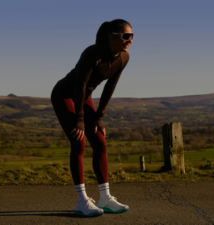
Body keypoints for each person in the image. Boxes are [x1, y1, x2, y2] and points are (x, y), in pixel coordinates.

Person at [51, 19, 133, 217]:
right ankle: (81, 201)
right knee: (79, 142)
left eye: (131, 36)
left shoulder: (123, 57)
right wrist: (79, 119)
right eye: (125, 36)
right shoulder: (92, 53)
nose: (129, 40)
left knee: (100, 142)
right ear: (111, 37)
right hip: (65, 96)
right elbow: (79, 85)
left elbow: (110, 86)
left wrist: (99, 117)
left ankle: (104, 198)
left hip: (84, 98)